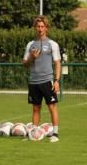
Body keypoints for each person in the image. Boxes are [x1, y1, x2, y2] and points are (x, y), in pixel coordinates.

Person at [23, 15, 60, 143]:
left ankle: (55, 134)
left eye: (42, 26)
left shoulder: (52, 44)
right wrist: (32, 57)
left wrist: (57, 80)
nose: (40, 29)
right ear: (35, 28)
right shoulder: (30, 45)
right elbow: (25, 64)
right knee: (35, 108)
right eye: (38, 26)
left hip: (47, 80)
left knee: (52, 107)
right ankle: (34, 134)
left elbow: (57, 63)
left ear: (46, 28)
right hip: (33, 81)